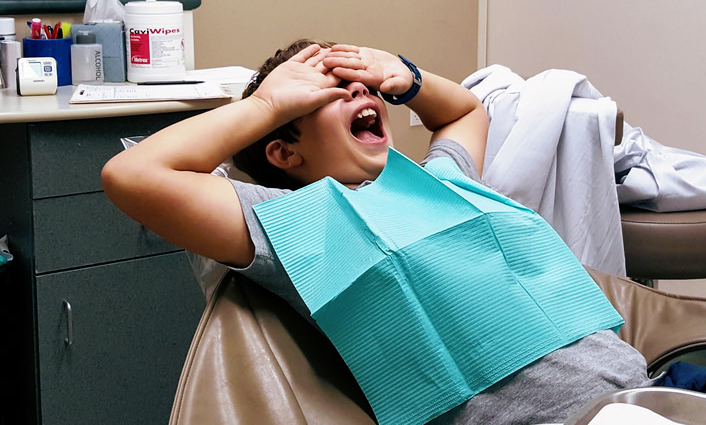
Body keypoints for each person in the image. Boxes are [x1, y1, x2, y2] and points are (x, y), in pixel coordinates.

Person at [102, 40, 656, 425]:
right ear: (283, 150)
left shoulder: (437, 182)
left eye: (363, 84)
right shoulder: (298, 226)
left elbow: (464, 113)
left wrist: (407, 76)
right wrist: (267, 103)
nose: (362, 93)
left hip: (655, 393)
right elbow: (133, 175)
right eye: (331, 90)